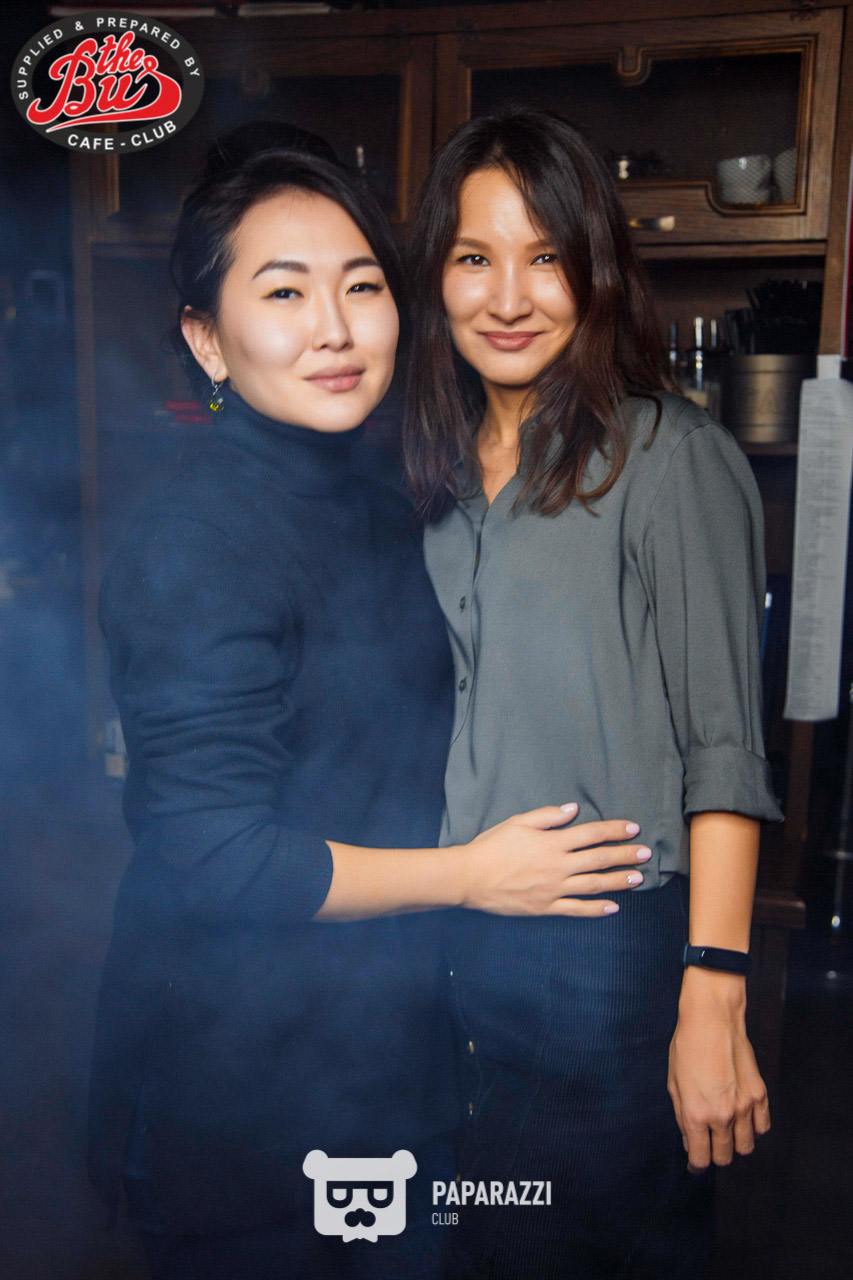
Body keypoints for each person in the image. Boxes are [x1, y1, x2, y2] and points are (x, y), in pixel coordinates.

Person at [87, 128, 651, 1280]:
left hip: (388, 1057)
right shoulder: (194, 539)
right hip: (234, 1091)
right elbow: (213, 853)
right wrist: (472, 874)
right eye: (283, 292)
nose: (335, 329)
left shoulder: (398, 486)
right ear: (205, 337)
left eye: (361, 286)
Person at [405, 105, 785, 1280]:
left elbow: (723, 745)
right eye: (474, 258)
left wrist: (711, 993)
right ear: (436, 279)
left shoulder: (669, 457)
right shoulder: (428, 474)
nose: (508, 297)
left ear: (595, 270)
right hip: (447, 939)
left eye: (545, 257)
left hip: (604, 955)